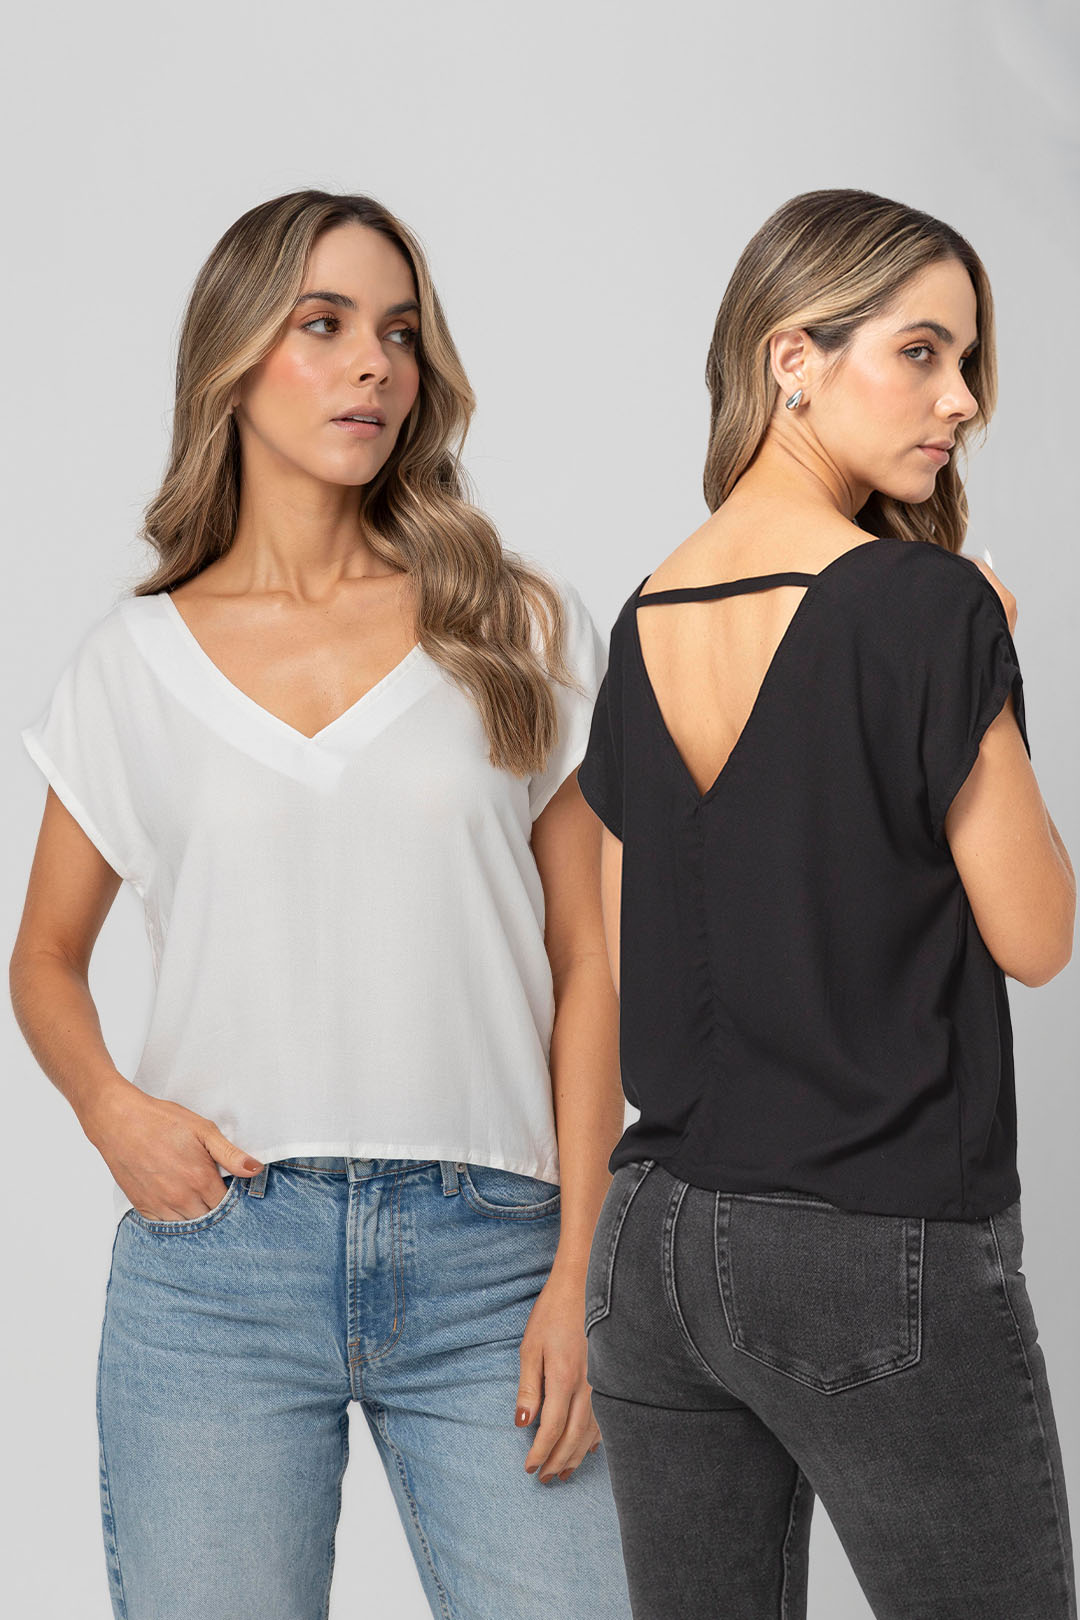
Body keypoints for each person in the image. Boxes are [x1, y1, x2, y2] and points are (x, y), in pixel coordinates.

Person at [11, 189, 631, 1620]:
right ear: (233, 360)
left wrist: (583, 1273)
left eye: (400, 333)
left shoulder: (517, 626)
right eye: (325, 324)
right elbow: (42, 958)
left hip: (498, 1259)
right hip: (219, 1270)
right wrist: (111, 1109)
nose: (373, 364)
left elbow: (589, 958)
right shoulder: (132, 665)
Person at [576, 187, 1077, 1619]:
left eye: (967, 361)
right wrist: (983, 681)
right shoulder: (927, 608)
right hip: (873, 1238)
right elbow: (1039, 934)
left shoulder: (648, 612)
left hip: (653, 1249)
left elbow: (620, 951)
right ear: (792, 356)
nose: (963, 399)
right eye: (922, 352)